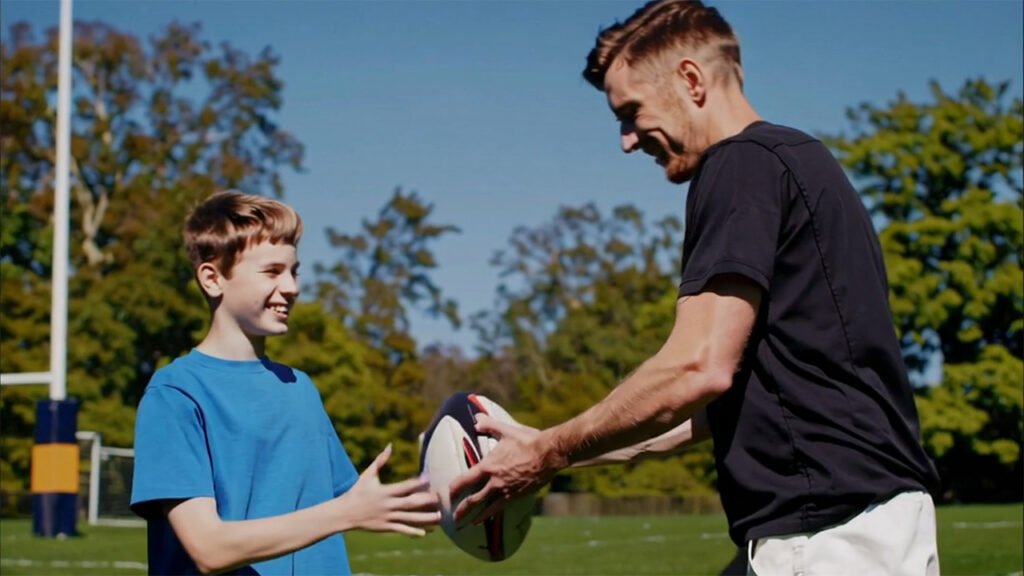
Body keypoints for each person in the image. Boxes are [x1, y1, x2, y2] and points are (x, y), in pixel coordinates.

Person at [450, 1, 941, 574]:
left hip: (830, 539)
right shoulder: (798, 160)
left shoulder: (741, 165)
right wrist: (550, 453)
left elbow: (696, 369)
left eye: (630, 112)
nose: (627, 141)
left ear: (690, 79)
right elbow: (714, 407)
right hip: (855, 526)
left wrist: (550, 449)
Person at [130, 191, 440, 575]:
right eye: (272, 272)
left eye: (294, 271)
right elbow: (209, 549)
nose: (292, 287)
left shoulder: (301, 388)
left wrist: (447, 481)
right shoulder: (175, 395)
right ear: (212, 279)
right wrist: (346, 512)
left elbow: (352, 502)